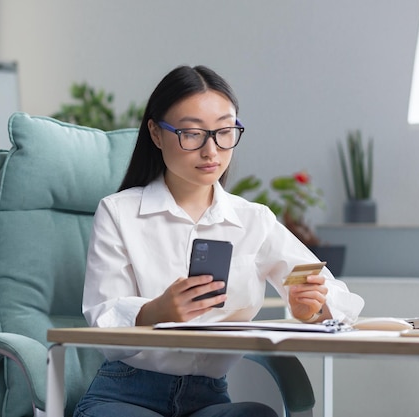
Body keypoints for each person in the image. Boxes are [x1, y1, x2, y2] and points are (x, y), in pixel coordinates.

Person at [74, 65, 365, 417]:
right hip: (126, 393)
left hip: (208, 398)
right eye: (192, 133)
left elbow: (333, 294)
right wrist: (155, 312)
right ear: (155, 132)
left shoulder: (253, 220)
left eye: (224, 131)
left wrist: (313, 307)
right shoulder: (118, 212)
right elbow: (102, 316)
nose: (211, 150)